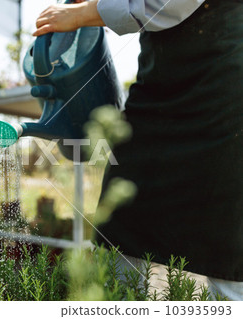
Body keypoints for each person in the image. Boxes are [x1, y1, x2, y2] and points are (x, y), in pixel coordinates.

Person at [34, 0, 243, 300]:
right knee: (121, 227)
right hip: (159, 89)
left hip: (222, 93)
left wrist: (83, 14)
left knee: (227, 245)